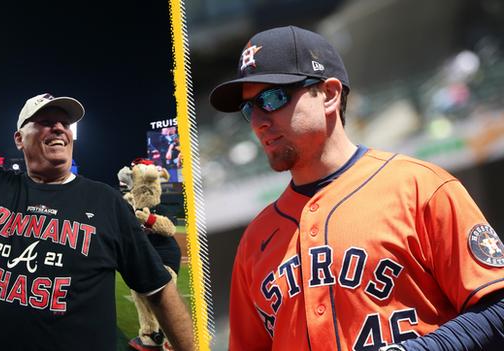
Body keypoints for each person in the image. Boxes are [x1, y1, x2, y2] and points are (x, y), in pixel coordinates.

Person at [0, 1, 194, 350]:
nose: (59, 127)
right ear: (19, 138)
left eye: (65, 122)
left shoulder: (106, 201)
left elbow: (157, 289)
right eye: (45, 120)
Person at [209, 26, 504, 351]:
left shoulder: (421, 188)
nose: (258, 121)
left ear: (330, 94)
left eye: (272, 98)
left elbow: (498, 308)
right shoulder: (255, 242)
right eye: (249, 108)